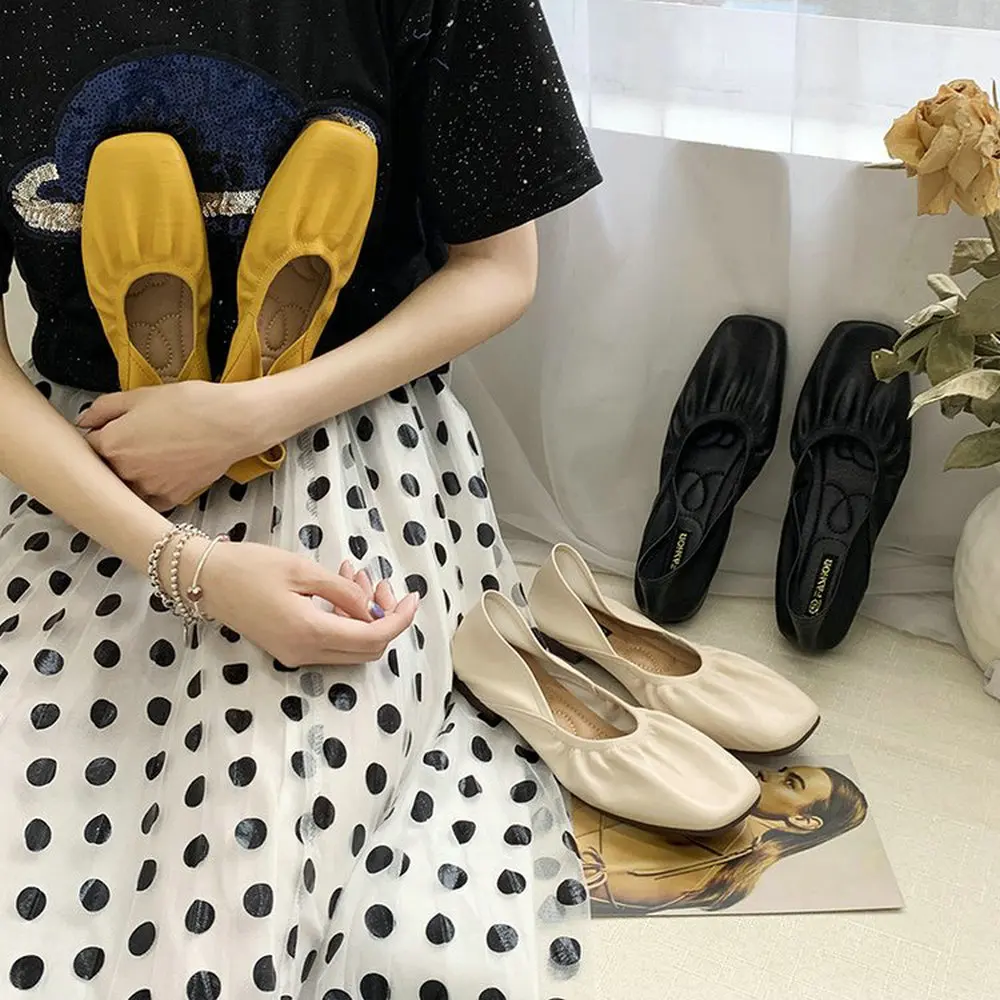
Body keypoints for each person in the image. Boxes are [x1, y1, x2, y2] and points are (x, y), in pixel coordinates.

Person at [0, 3, 601, 998]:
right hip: (88, 454)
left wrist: (249, 414)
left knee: (260, 812)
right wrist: (187, 563)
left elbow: (499, 269)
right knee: (44, 791)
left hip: (348, 422)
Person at [575, 765, 869, 913]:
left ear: (803, 821)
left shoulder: (713, 871)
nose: (767, 772)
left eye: (790, 783)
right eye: (782, 770)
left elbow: (591, 879)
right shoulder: (716, 837)